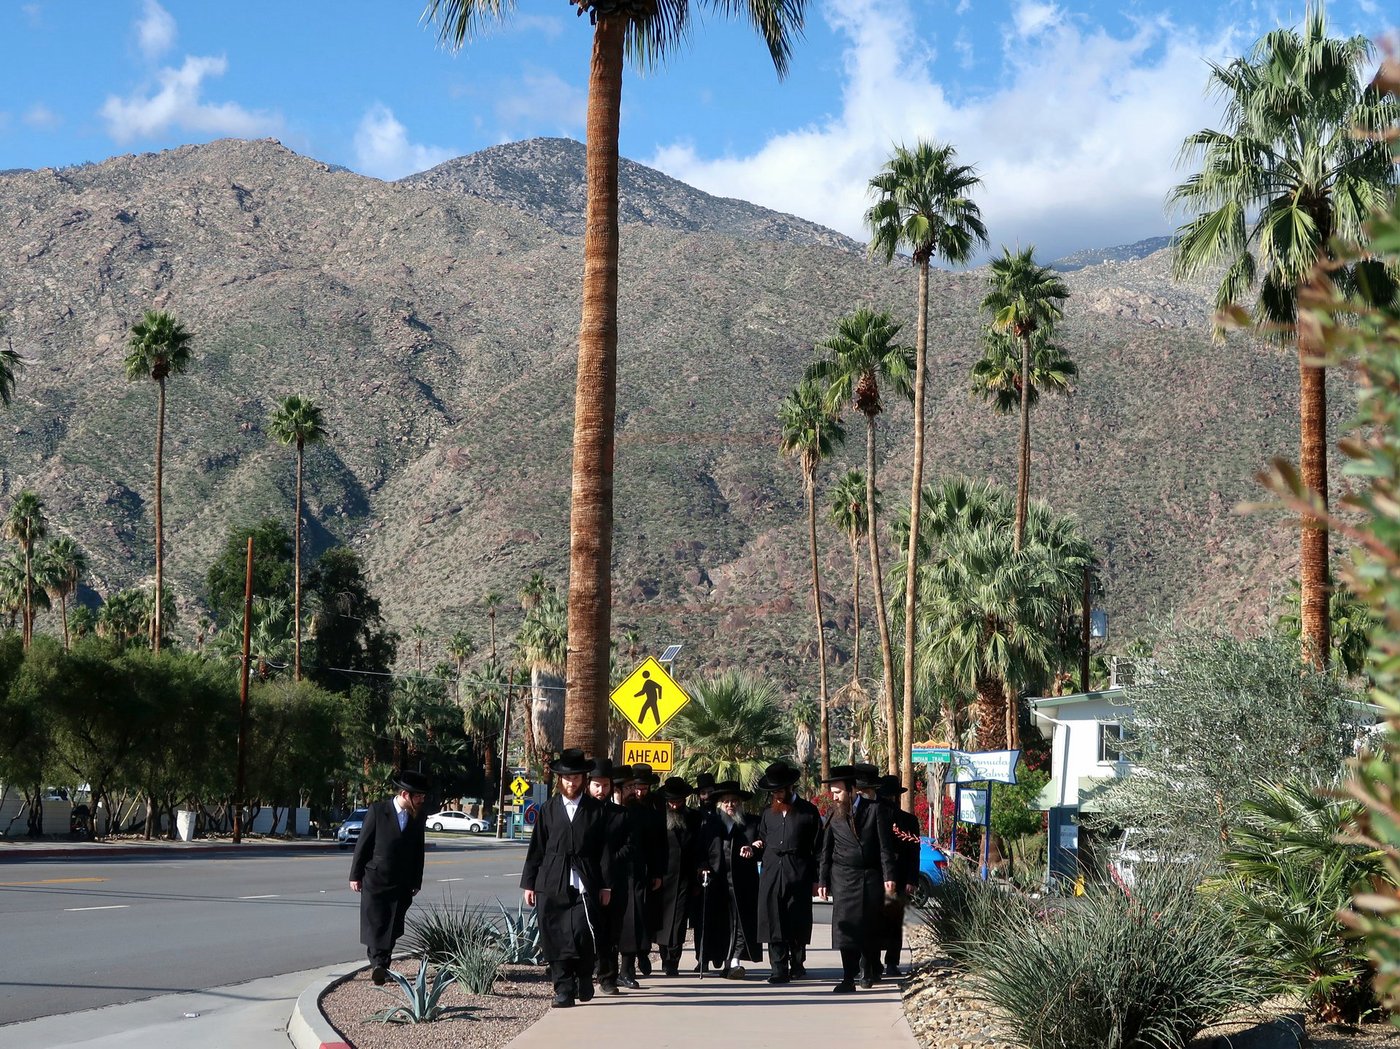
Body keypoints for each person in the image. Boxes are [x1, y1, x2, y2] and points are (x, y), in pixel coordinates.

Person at [521, 748, 614, 1008]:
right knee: (555, 934)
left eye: (576, 778)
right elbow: (536, 848)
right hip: (551, 881)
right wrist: (529, 883)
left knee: (583, 933)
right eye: (566, 778)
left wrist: (606, 885)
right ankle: (562, 989)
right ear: (560, 780)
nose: (571, 782)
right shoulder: (548, 809)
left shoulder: (596, 810)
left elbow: (605, 851)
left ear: (583, 779)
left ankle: (584, 976)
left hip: (586, 881)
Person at [817, 764, 898, 992]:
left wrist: (889, 875)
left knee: (868, 927)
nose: (834, 796)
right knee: (845, 929)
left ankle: (867, 969)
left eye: (838, 792)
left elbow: (885, 846)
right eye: (832, 792)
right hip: (842, 877)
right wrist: (822, 881)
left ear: (852, 790)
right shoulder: (833, 814)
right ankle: (847, 977)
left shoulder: (875, 810)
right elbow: (825, 851)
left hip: (869, 876)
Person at [349, 769, 430, 986]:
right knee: (376, 923)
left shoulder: (418, 815)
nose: (422, 799)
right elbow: (362, 846)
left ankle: (381, 965)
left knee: (393, 926)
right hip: (376, 878)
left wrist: (416, 880)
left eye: (423, 796)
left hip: (402, 882)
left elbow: (418, 851)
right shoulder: (378, 810)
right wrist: (355, 875)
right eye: (418, 796)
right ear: (405, 794)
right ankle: (379, 966)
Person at [751, 760, 822, 984]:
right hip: (772, 870)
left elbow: (818, 848)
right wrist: (754, 846)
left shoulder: (808, 812)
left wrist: (817, 879)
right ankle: (778, 968)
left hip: (798, 869)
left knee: (796, 917)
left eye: (780, 790)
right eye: (773, 792)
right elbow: (762, 838)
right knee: (773, 917)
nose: (777, 796)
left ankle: (797, 963)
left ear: (790, 788)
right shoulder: (767, 814)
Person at [698, 780, 763, 978]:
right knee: (723, 923)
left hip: (744, 883)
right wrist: (702, 868)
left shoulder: (752, 823)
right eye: (726, 802)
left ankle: (735, 962)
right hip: (717, 882)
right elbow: (701, 851)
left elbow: (762, 845)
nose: (730, 805)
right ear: (719, 804)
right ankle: (726, 961)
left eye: (734, 801)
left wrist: (753, 849)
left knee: (742, 922)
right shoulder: (710, 824)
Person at [654, 776, 701, 976]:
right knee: (662, 921)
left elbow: (700, 847)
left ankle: (673, 961)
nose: (675, 805)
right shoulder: (658, 817)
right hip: (662, 877)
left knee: (679, 921)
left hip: (684, 878)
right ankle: (665, 956)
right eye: (672, 801)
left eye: (678, 801)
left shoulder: (694, 818)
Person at [587, 757, 626, 996]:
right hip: (586, 880)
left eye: (605, 785)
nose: (601, 790)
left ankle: (608, 977)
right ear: (589, 785)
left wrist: (609, 862)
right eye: (596, 785)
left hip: (614, 881)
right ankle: (585, 974)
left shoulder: (621, 815)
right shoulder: (580, 812)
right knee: (586, 931)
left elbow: (629, 847)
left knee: (611, 932)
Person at [876, 774, 921, 979]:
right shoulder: (873, 816)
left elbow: (914, 852)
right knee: (874, 921)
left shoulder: (909, 820)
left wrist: (912, 879)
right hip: (876, 876)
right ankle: (873, 961)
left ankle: (892, 961)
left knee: (895, 922)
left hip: (901, 877)